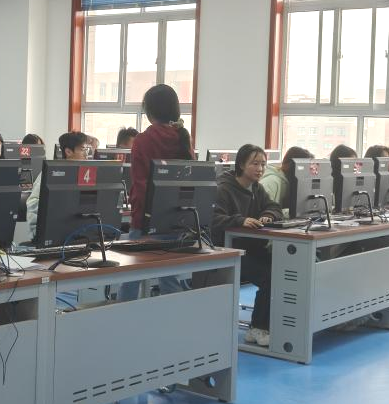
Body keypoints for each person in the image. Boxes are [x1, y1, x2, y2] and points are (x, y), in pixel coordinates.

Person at [121, 84, 196, 301]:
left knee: (131, 276)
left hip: (146, 220)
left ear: (149, 110)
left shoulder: (144, 139)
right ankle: (173, 317)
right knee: (169, 277)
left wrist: (138, 218)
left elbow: (140, 184)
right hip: (175, 219)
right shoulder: (182, 136)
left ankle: (121, 316)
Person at [211, 145, 283, 347]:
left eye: (263, 164)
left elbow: (274, 207)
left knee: (283, 269)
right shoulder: (223, 188)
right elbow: (213, 219)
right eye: (255, 163)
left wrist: (268, 215)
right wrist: (239, 220)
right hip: (228, 251)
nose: (260, 169)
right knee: (269, 276)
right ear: (241, 164)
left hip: (251, 248)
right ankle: (258, 327)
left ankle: (264, 326)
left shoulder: (256, 188)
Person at [26, 131, 89, 239]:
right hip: (53, 235)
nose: (86, 154)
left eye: (86, 149)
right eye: (82, 149)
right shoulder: (51, 172)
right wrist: (39, 233)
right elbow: (33, 203)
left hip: (80, 232)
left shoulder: (86, 174)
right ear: (68, 151)